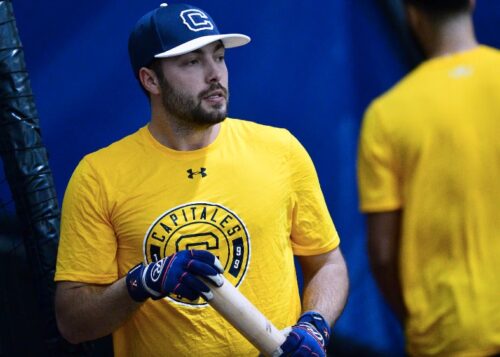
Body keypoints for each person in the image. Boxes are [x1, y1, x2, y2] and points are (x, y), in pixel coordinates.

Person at [54, 3, 349, 356]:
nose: (215, 74)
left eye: (219, 57)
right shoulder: (99, 176)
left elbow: (328, 264)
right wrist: (141, 283)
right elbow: (73, 323)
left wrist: (314, 325)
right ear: (150, 79)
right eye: (192, 62)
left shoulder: (280, 149)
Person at [357, 0, 500, 356]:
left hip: (447, 335)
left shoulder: (386, 116)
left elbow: (383, 253)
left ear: (411, 14)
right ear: (471, 2)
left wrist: (415, 320)